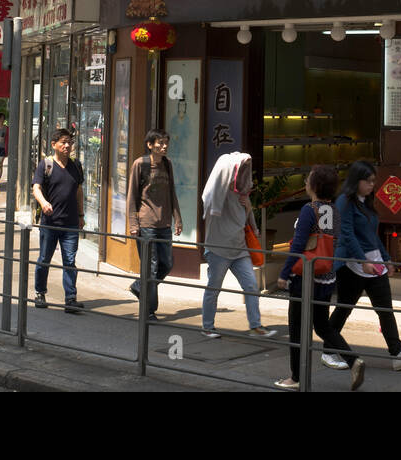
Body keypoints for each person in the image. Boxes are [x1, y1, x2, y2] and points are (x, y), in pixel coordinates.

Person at [329, 160, 401, 371]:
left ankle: (397, 353)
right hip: (353, 264)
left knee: (385, 309)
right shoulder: (345, 201)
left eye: (374, 181)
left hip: (372, 262)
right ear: (357, 180)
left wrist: (386, 258)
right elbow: (347, 234)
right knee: (344, 308)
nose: (373, 185)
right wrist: (364, 261)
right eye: (369, 181)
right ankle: (328, 350)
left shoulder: (365, 202)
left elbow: (372, 235)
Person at [276, 165, 363, 390]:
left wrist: (284, 273)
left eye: (308, 179)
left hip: (304, 275)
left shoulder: (309, 209)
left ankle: (295, 378)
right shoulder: (334, 210)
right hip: (325, 274)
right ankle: (353, 360)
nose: (305, 182)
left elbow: (298, 244)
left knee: (296, 328)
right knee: (322, 326)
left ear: (315, 185)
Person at [199, 151, 276, 340]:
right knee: (214, 288)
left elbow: (247, 217)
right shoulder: (216, 195)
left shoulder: (243, 194)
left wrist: (249, 208)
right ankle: (207, 326)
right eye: (240, 168)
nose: (243, 173)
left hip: (240, 248)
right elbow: (210, 199)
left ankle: (255, 326)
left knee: (251, 286)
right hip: (218, 249)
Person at [127, 129, 183, 319]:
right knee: (150, 267)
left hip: (164, 223)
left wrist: (178, 217)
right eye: (160, 143)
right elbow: (132, 196)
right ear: (150, 145)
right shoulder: (140, 164)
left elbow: (171, 192)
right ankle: (149, 311)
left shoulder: (167, 164)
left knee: (166, 264)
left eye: (166, 143)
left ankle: (139, 286)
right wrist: (133, 224)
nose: (164, 146)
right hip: (146, 224)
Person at [32, 128, 85, 314]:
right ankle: (40, 293)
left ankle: (70, 299)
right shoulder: (46, 165)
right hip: (50, 222)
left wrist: (81, 215)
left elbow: (79, 191)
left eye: (69, 142)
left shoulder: (76, 166)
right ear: (53, 145)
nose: (67, 145)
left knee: (69, 261)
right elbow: (36, 188)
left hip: (70, 223)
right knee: (44, 259)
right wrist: (44, 203)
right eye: (63, 142)